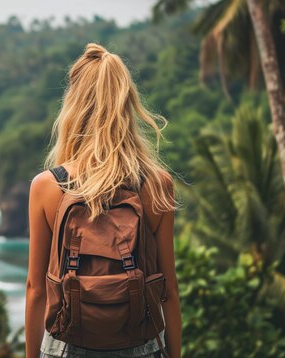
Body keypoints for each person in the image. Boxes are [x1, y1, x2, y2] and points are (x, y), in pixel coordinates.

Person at [24, 43, 182, 358]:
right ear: (127, 103)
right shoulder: (156, 185)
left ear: (72, 104)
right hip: (141, 347)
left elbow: (35, 289)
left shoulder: (47, 186)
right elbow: (169, 290)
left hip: (66, 348)